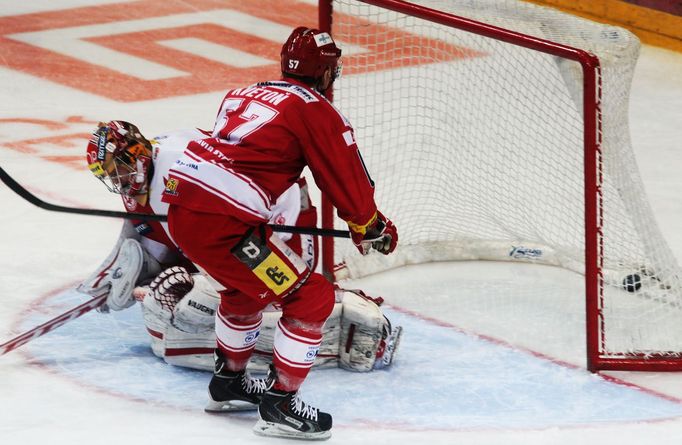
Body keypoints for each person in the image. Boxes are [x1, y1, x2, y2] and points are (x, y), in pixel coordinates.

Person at [161, 27, 398, 440]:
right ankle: (280, 405)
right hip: (223, 225)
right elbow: (344, 178)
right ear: (325, 73)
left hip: (185, 208)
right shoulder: (316, 109)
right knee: (311, 299)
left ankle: (228, 383)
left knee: (244, 289)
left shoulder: (242, 92)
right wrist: (370, 225)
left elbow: (245, 157)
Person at [79, 119, 401, 419]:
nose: (116, 180)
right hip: (228, 231)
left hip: (278, 219)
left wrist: (276, 250)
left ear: (138, 152)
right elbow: (154, 241)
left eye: (118, 168)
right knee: (233, 298)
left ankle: (283, 397)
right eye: (107, 175)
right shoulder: (140, 183)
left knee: (298, 299)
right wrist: (120, 274)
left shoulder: (179, 161)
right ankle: (231, 383)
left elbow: (270, 196)